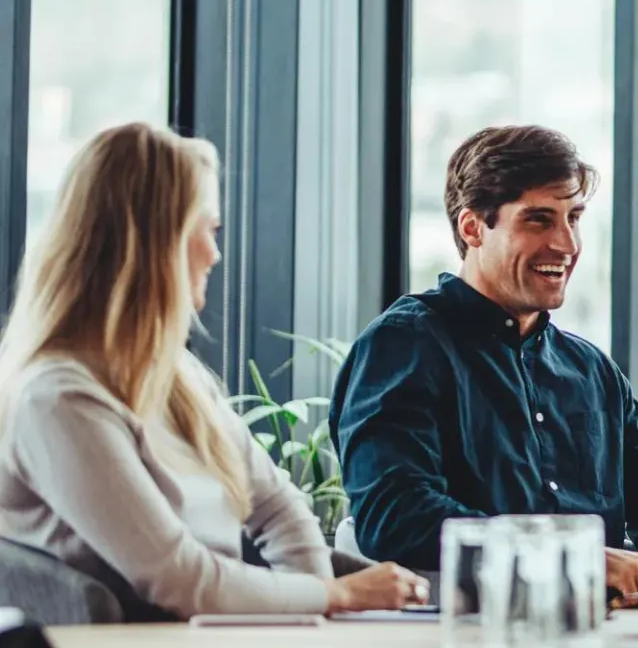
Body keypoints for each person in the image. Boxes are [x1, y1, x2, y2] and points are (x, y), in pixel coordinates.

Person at [0, 123, 425, 618]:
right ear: (157, 242)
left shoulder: (176, 375)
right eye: (209, 229)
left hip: (205, 647)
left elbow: (276, 506)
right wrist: (335, 595)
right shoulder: (58, 400)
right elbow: (178, 578)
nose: (216, 253)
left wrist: (314, 609)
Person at [331, 125, 638, 605]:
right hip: (461, 647)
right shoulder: (403, 345)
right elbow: (397, 518)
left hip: (604, 642)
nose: (567, 244)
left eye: (573, 218)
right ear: (473, 228)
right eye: (538, 220)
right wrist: (571, 556)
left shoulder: (590, 370)